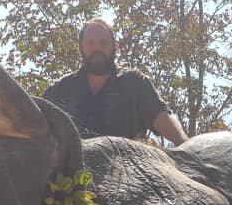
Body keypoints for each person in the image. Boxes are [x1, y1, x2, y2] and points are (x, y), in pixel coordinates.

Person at [43, 18, 189, 146]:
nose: (97, 48)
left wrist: (187, 148)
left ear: (115, 47)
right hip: (72, 174)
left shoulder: (135, 83)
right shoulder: (60, 90)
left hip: (127, 172)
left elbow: (161, 117)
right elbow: (38, 128)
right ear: (81, 47)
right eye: (90, 43)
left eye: (103, 43)